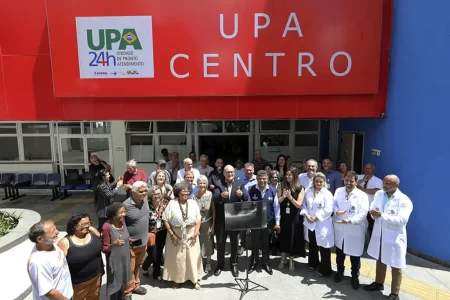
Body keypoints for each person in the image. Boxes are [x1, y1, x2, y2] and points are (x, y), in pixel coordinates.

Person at [364, 175, 413, 300]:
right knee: (380, 259)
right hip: (380, 233)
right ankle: (379, 283)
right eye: (384, 182)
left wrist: (382, 215)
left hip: (394, 237)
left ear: (396, 185)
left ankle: (394, 294)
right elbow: (373, 206)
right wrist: (373, 213)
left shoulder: (404, 200)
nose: (384, 185)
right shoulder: (379, 194)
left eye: (388, 183)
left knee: (396, 265)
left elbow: (402, 220)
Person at [162, 182, 203, 290]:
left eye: (187, 191)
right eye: (183, 191)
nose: (186, 193)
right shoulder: (172, 203)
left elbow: (198, 219)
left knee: (192, 257)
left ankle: (194, 279)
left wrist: (195, 233)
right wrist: (172, 235)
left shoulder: (193, 203)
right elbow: (165, 220)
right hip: (176, 234)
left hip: (191, 233)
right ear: (178, 192)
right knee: (178, 258)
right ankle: (177, 279)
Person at [333, 171, 369, 289]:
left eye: (351, 181)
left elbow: (363, 213)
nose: (348, 183)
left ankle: (355, 276)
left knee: (355, 256)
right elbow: (333, 205)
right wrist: (336, 211)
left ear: (356, 182)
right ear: (344, 180)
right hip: (340, 228)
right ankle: (340, 271)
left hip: (354, 229)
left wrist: (349, 221)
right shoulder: (338, 191)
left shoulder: (362, 195)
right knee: (340, 253)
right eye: (346, 180)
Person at [212, 165, 248, 277]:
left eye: (232, 172)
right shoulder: (219, 184)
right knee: (221, 243)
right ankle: (220, 264)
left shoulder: (240, 184)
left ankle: (234, 263)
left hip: (235, 219)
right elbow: (214, 198)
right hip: (221, 219)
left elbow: (246, 197)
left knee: (234, 243)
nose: (230, 174)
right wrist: (221, 196)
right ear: (224, 173)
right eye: (228, 172)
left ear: (234, 173)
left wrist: (242, 195)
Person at [58, 213, 103, 300]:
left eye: (88, 223)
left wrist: (92, 228)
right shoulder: (65, 242)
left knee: (94, 297)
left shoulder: (92, 234)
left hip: (96, 277)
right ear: (74, 226)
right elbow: (59, 265)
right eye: (83, 224)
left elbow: (100, 237)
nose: (87, 226)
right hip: (78, 283)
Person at [27, 220, 73, 300]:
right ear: (40, 239)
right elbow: (48, 292)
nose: (58, 232)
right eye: (53, 231)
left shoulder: (49, 244)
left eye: (55, 229)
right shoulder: (39, 262)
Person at [300, 172, 334, 277]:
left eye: (321, 181)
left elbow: (329, 209)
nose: (318, 183)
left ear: (324, 182)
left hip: (322, 223)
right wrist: (306, 215)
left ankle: (325, 270)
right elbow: (303, 205)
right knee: (312, 245)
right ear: (313, 181)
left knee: (324, 247)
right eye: (316, 181)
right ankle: (313, 264)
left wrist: (316, 217)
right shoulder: (308, 191)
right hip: (310, 222)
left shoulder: (327, 194)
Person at [248, 170, 280, 275]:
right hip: (255, 222)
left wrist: (277, 223)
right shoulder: (251, 190)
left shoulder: (273, 190)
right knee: (255, 244)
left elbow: (276, 208)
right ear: (256, 179)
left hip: (269, 222)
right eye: (260, 178)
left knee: (266, 244)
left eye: (264, 178)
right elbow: (248, 207)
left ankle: (266, 263)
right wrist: (248, 223)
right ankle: (253, 262)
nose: (262, 180)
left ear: (267, 179)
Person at [123, 181, 150, 297]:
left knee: (138, 266)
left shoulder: (145, 201)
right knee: (129, 268)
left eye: (145, 191)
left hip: (143, 242)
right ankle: (127, 292)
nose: (144, 193)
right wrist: (126, 239)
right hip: (131, 245)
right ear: (133, 192)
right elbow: (120, 225)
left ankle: (136, 285)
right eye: (141, 192)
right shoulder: (125, 205)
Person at [101, 203, 132, 300]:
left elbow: (124, 236)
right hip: (115, 262)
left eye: (124, 212)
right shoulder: (106, 227)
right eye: (121, 212)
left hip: (125, 259)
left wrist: (129, 240)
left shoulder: (123, 222)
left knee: (123, 282)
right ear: (113, 215)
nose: (124, 214)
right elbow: (104, 249)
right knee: (115, 285)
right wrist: (113, 244)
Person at [278, 167, 306, 271]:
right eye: (287, 175)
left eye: (290, 175)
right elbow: (278, 201)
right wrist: (284, 196)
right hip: (284, 216)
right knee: (283, 237)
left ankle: (291, 259)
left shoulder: (300, 188)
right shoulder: (282, 185)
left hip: (294, 217)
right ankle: (282, 258)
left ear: (294, 176)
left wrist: (290, 197)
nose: (288, 177)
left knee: (292, 238)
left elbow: (298, 204)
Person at [142, 186, 168, 280]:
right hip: (150, 233)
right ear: (150, 195)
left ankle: (156, 273)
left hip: (162, 232)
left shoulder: (165, 203)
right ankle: (145, 265)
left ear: (161, 194)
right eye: (154, 194)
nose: (156, 196)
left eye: (158, 193)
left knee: (159, 253)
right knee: (153, 254)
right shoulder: (145, 205)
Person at [192, 175, 215, 273]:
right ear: (197, 184)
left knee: (208, 243)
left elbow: (214, 211)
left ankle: (208, 263)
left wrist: (213, 225)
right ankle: (199, 262)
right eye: (200, 183)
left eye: (204, 183)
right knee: (198, 244)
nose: (202, 185)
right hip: (197, 224)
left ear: (207, 184)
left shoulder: (210, 195)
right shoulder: (193, 196)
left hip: (208, 222)